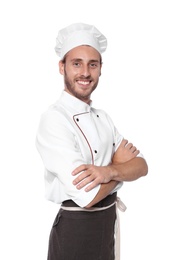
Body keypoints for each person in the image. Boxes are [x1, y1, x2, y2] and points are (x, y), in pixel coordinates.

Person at [35, 22, 148, 260]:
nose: (85, 73)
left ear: (100, 69)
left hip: (107, 224)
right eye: (76, 63)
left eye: (92, 64)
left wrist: (108, 171)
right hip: (76, 231)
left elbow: (142, 166)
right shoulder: (54, 120)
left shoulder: (103, 118)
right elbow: (87, 197)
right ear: (61, 67)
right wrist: (121, 172)